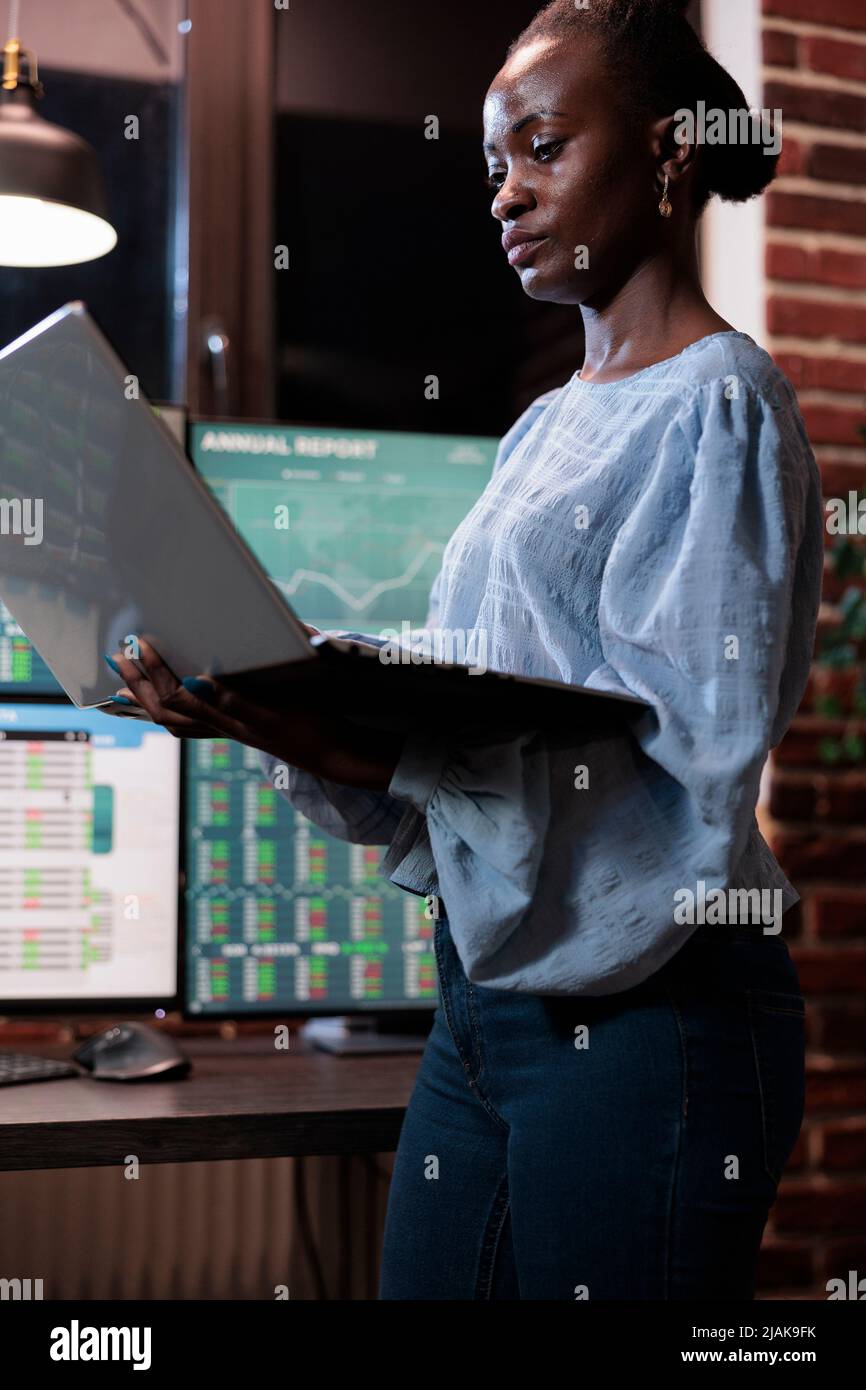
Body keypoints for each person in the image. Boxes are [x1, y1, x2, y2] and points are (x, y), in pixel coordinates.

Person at [106, 0, 824, 1300]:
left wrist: (324, 718)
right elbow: (495, 717)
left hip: (650, 1015)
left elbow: (665, 780)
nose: (506, 194)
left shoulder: (719, 406)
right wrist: (267, 694)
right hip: (484, 1010)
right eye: (495, 164)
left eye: (542, 147)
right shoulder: (546, 425)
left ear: (666, 156)